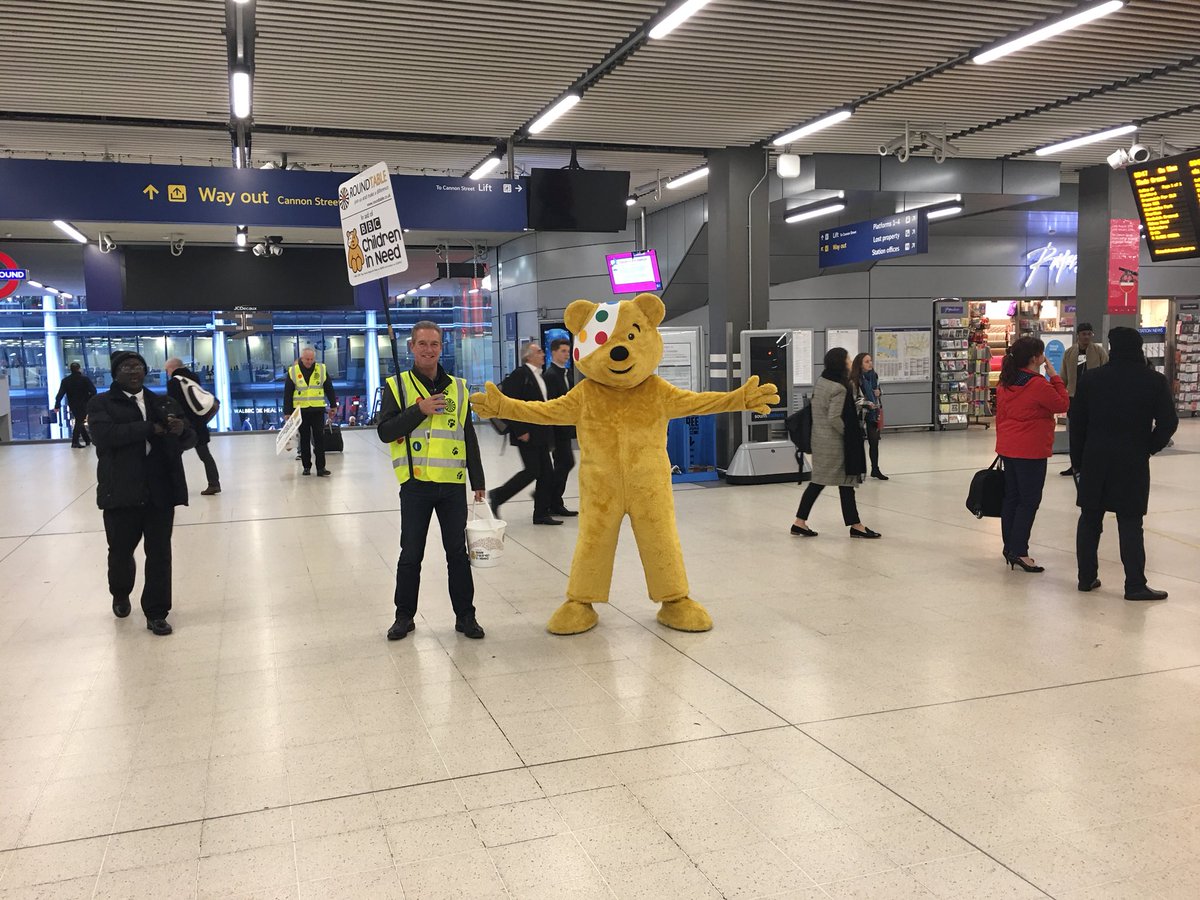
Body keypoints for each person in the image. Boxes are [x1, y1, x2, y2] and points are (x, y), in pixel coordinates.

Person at [377, 321, 486, 641]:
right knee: (411, 553)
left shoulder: (459, 388)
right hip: (416, 485)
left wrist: (477, 479)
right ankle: (404, 616)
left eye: (434, 344)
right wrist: (419, 409)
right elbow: (385, 432)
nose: (428, 349)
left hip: (452, 484)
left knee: (457, 554)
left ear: (442, 347)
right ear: (411, 347)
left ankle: (466, 616)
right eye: (422, 343)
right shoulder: (396, 386)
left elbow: (468, 434)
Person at [86, 351, 196, 636]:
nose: (134, 371)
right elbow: (104, 436)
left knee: (160, 553)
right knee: (121, 552)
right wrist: (149, 428)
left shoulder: (163, 401)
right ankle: (120, 592)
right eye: (126, 367)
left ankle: (157, 612)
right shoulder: (101, 403)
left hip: (160, 490)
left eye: (138, 366)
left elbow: (190, 438)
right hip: (121, 491)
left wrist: (181, 429)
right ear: (115, 373)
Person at [1072, 328, 1177, 601]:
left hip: (1095, 458)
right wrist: (1148, 448)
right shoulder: (1153, 381)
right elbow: (1168, 422)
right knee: (1130, 522)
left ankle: (1086, 578)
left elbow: (1078, 425)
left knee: (1089, 519)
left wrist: (1077, 462)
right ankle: (1134, 585)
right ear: (1140, 347)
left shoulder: (1092, 379)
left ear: (1112, 347)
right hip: (1132, 460)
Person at [994, 337, 1069, 573]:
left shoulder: (1005, 382)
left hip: (1008, 447)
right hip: (1031, 450)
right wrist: (1054, 375)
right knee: (1029, 501)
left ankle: (1010, 547)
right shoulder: (1038, 385)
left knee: (1012, 498)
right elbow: (1062, 404)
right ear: (1036, 358)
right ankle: (1019, 551)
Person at [791, 348, 880, 539]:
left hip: (819, 440)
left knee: (822, 482)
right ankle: (856, 526)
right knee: (844, 481)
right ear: (841, 362)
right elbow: (834, 417)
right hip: (835, 444)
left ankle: (801, 522)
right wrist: (848, 434)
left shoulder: (823, 381)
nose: (850, 360)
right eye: (847, 358)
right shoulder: (839, 387)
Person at [489, 342, 561, 525]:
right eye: (539, 352)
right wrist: (520, 430)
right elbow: (510, 404)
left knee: (547, 473)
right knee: (533, 471)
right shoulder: (520, 375)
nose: (543, 354)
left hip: (540, 433)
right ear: (528, 356)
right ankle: (498, 495)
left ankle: (541, 514)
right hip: (527, 433)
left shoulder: (539, 376)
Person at [165, 358, 221, 495]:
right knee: (205, 456)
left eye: (166, 370)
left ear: (172, 368)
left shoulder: (174, 382)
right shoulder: (193, 378)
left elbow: (174, 403)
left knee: (172, 456)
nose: (166, 373)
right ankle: (214, 484)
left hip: (184, 426)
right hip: (199, 424)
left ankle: (173, 486)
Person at [1060, 322, 1108, 476]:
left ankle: (1091, 465)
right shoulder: (1069, 353)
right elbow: (1063, 376)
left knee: (1093, 433)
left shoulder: (1099, 352)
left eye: (1089, 333)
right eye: (1084, 334)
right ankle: (1075, 465)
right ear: (1078, 335)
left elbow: (1107, 372)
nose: (1087, 336)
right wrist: (1063, 394)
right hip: (1074, 398)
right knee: (1075, 434)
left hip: (1095, 398)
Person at [283, 347, 336, 476]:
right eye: (307, 359)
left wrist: (333, 405)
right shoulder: (293, 371)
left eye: (312, 359)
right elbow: (288, 393)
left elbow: (329, 388)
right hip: (301, 411)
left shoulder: (321, 369)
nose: (309, 362)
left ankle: (320, 468)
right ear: (302, 358)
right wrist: (287, 412)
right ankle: (306, 467)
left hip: (317, 410)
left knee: (319, 439)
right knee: (304, 439)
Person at [542, 337, 578, 517]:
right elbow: (551, 404)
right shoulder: (550, 375)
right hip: (556, 429)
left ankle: (551, 499)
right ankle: (552, 500)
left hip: (565, 428)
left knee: (564, 463)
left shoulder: (568, 373)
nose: (566, 354)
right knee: (565, 462)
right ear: (554, 352)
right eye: (563, 351)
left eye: (568, 351)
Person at [850, 352, 886, 480]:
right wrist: (867, 403)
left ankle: (875, 469)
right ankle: (858, 472)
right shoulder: (855, 379)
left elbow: (879, 391)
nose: (870, 363)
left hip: (873, 414)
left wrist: (879, 392)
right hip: (861, 415)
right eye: (867, 361)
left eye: (870, 360)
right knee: (859, 445)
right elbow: (854, 399)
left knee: (874, 442)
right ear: (860, 364)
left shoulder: (874, 376)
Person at [53, 361, 97, 448]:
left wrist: (57, 405)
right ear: (79, 369)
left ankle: (87, 440)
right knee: (80, 421)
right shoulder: (84, 379)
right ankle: (75, 441)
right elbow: (93, 391)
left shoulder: (65, 381)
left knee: (79, 420)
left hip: (72, 404)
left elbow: (60, 394)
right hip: (84, 403)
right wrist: (89, 399)